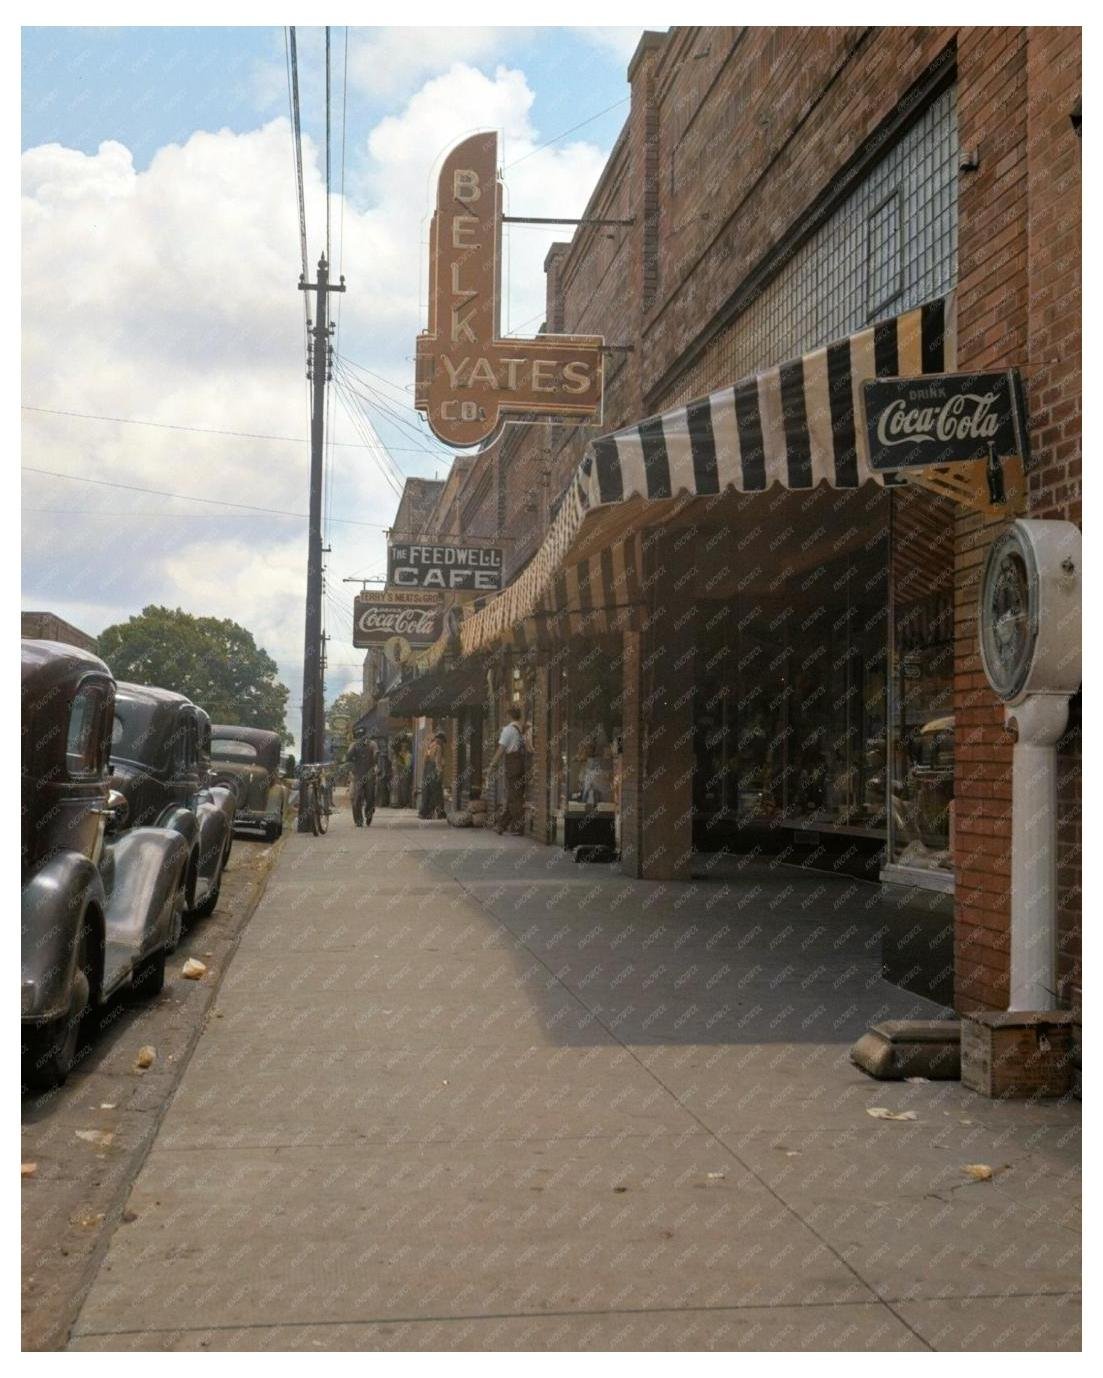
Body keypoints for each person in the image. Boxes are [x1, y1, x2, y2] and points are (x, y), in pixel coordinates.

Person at [486, 704, 527, 836]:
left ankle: (518, 826)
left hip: (513, 765)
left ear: (509, 716)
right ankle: (501, 825)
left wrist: (492, 764)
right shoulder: (520, 728)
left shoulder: (508, 730)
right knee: (513, 796)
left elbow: (501, 749)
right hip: (521, 765)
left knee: (514, 797)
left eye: (506, 715)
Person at [346, 732, 377, 827]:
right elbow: (348, 757)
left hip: (369, 775)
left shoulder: (372, 744)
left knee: (370, 797)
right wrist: (353, 746)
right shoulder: (354, 745)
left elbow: (376, 754)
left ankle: (369, 815)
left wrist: (376, 764)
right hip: (357, 775)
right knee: (356, 798)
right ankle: (358, 820)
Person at [419, 731, 447, 819]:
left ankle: (424, 813)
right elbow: (437, 761)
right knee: (437, 793)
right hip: (433, 770)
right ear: (440, 740)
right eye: (443, 741)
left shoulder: (429, 746)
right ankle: (440, 813)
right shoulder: (438, 747)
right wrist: (439, 773)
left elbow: (424, 760)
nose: (443, 743)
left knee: (427, 792)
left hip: (427, 771)